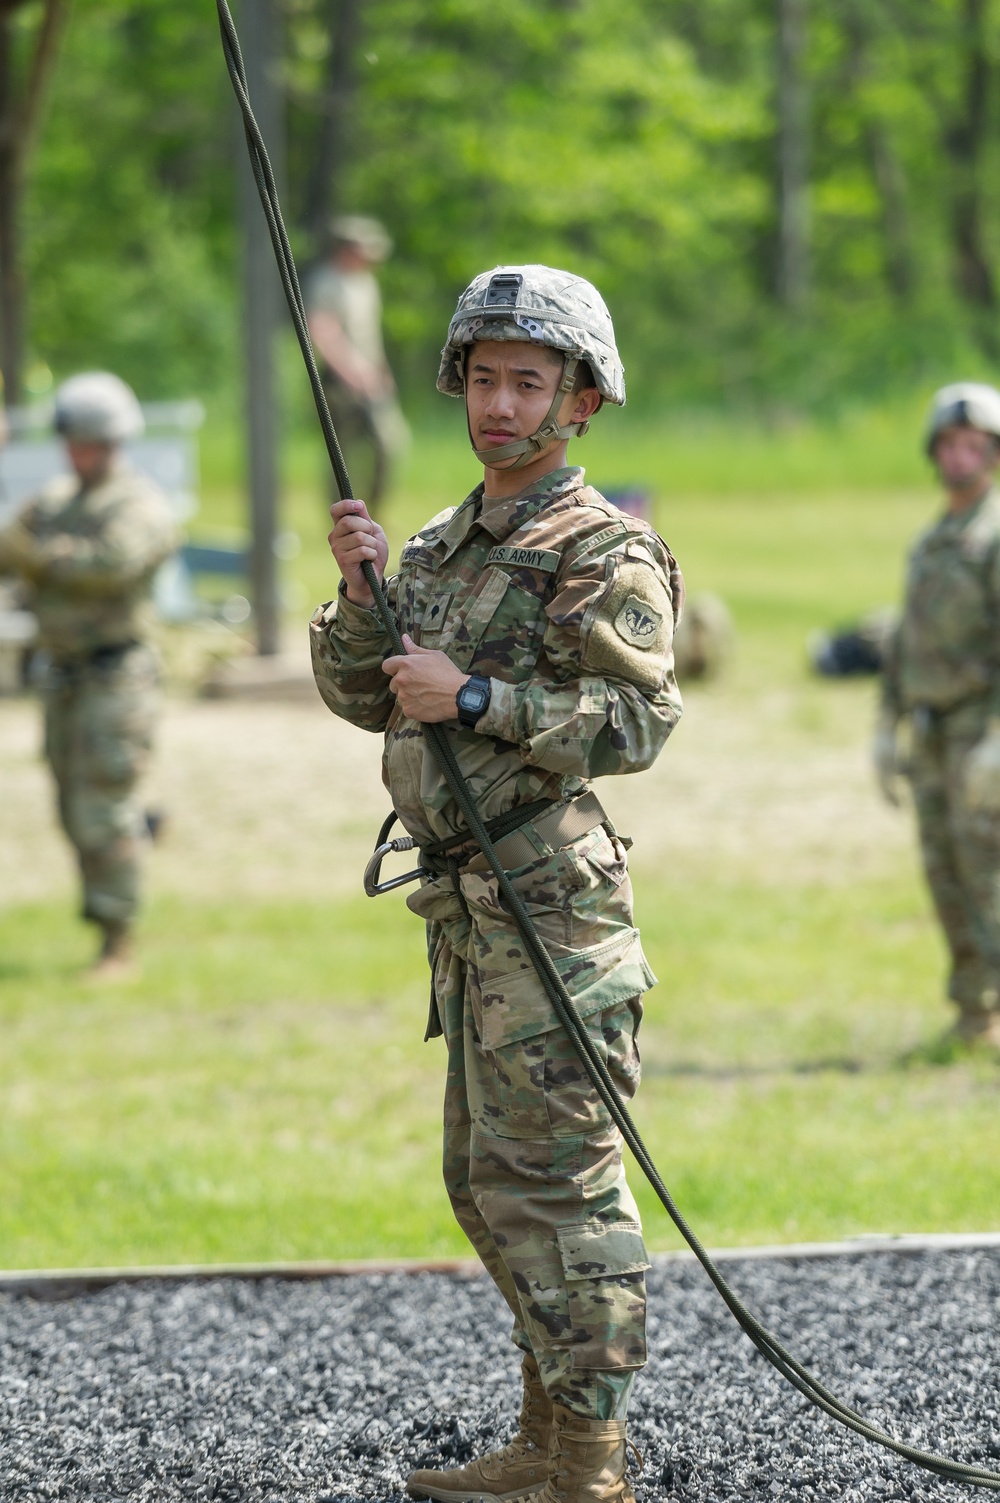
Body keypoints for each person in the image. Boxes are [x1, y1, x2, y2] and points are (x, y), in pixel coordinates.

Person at [311, 266, 684, 1503]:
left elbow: (636, 719)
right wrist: (364, 594)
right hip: (468, 908)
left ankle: (587, 1462)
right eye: (484, 378)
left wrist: (479, 698)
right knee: (487, 1180)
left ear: (581, 402)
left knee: (558, 1182)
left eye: (531, 382)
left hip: (551, 905)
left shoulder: (605, 548)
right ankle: (544, 1439)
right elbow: (363, 692)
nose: (502, 404)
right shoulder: (441, 542)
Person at [0, 372, 177, 976]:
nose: (74, 453)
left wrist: (38, 556)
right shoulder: (53, 502)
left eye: (84, 441)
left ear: (110, 442)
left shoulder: (139, 505)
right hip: (62, 675)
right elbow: (8, 546)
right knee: (71, 806)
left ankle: (117, 939)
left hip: (116, 676)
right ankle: (112, 900)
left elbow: (112, 564)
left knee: (104, 805)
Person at [875, 382, 1000, 1048]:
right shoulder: (934, 539)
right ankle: (975, 1013)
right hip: (931, 732)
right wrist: (883, 727)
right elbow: (906, 641)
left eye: (975, 443)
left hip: (981, 729)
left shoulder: (995, 535)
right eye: (950, 443)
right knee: (946, 873)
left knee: (990, 874)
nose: (961, 455)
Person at [305, 213, 408, 515]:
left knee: (390, 442)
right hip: (340, 382)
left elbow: (370, 337)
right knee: (342, 454)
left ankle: (374, 513)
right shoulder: (326, 280)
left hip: (371, 379)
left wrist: (381, 371)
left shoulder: (366, 283)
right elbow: (324, 332)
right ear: (349, 247)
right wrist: (352, 374)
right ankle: (343, 517)